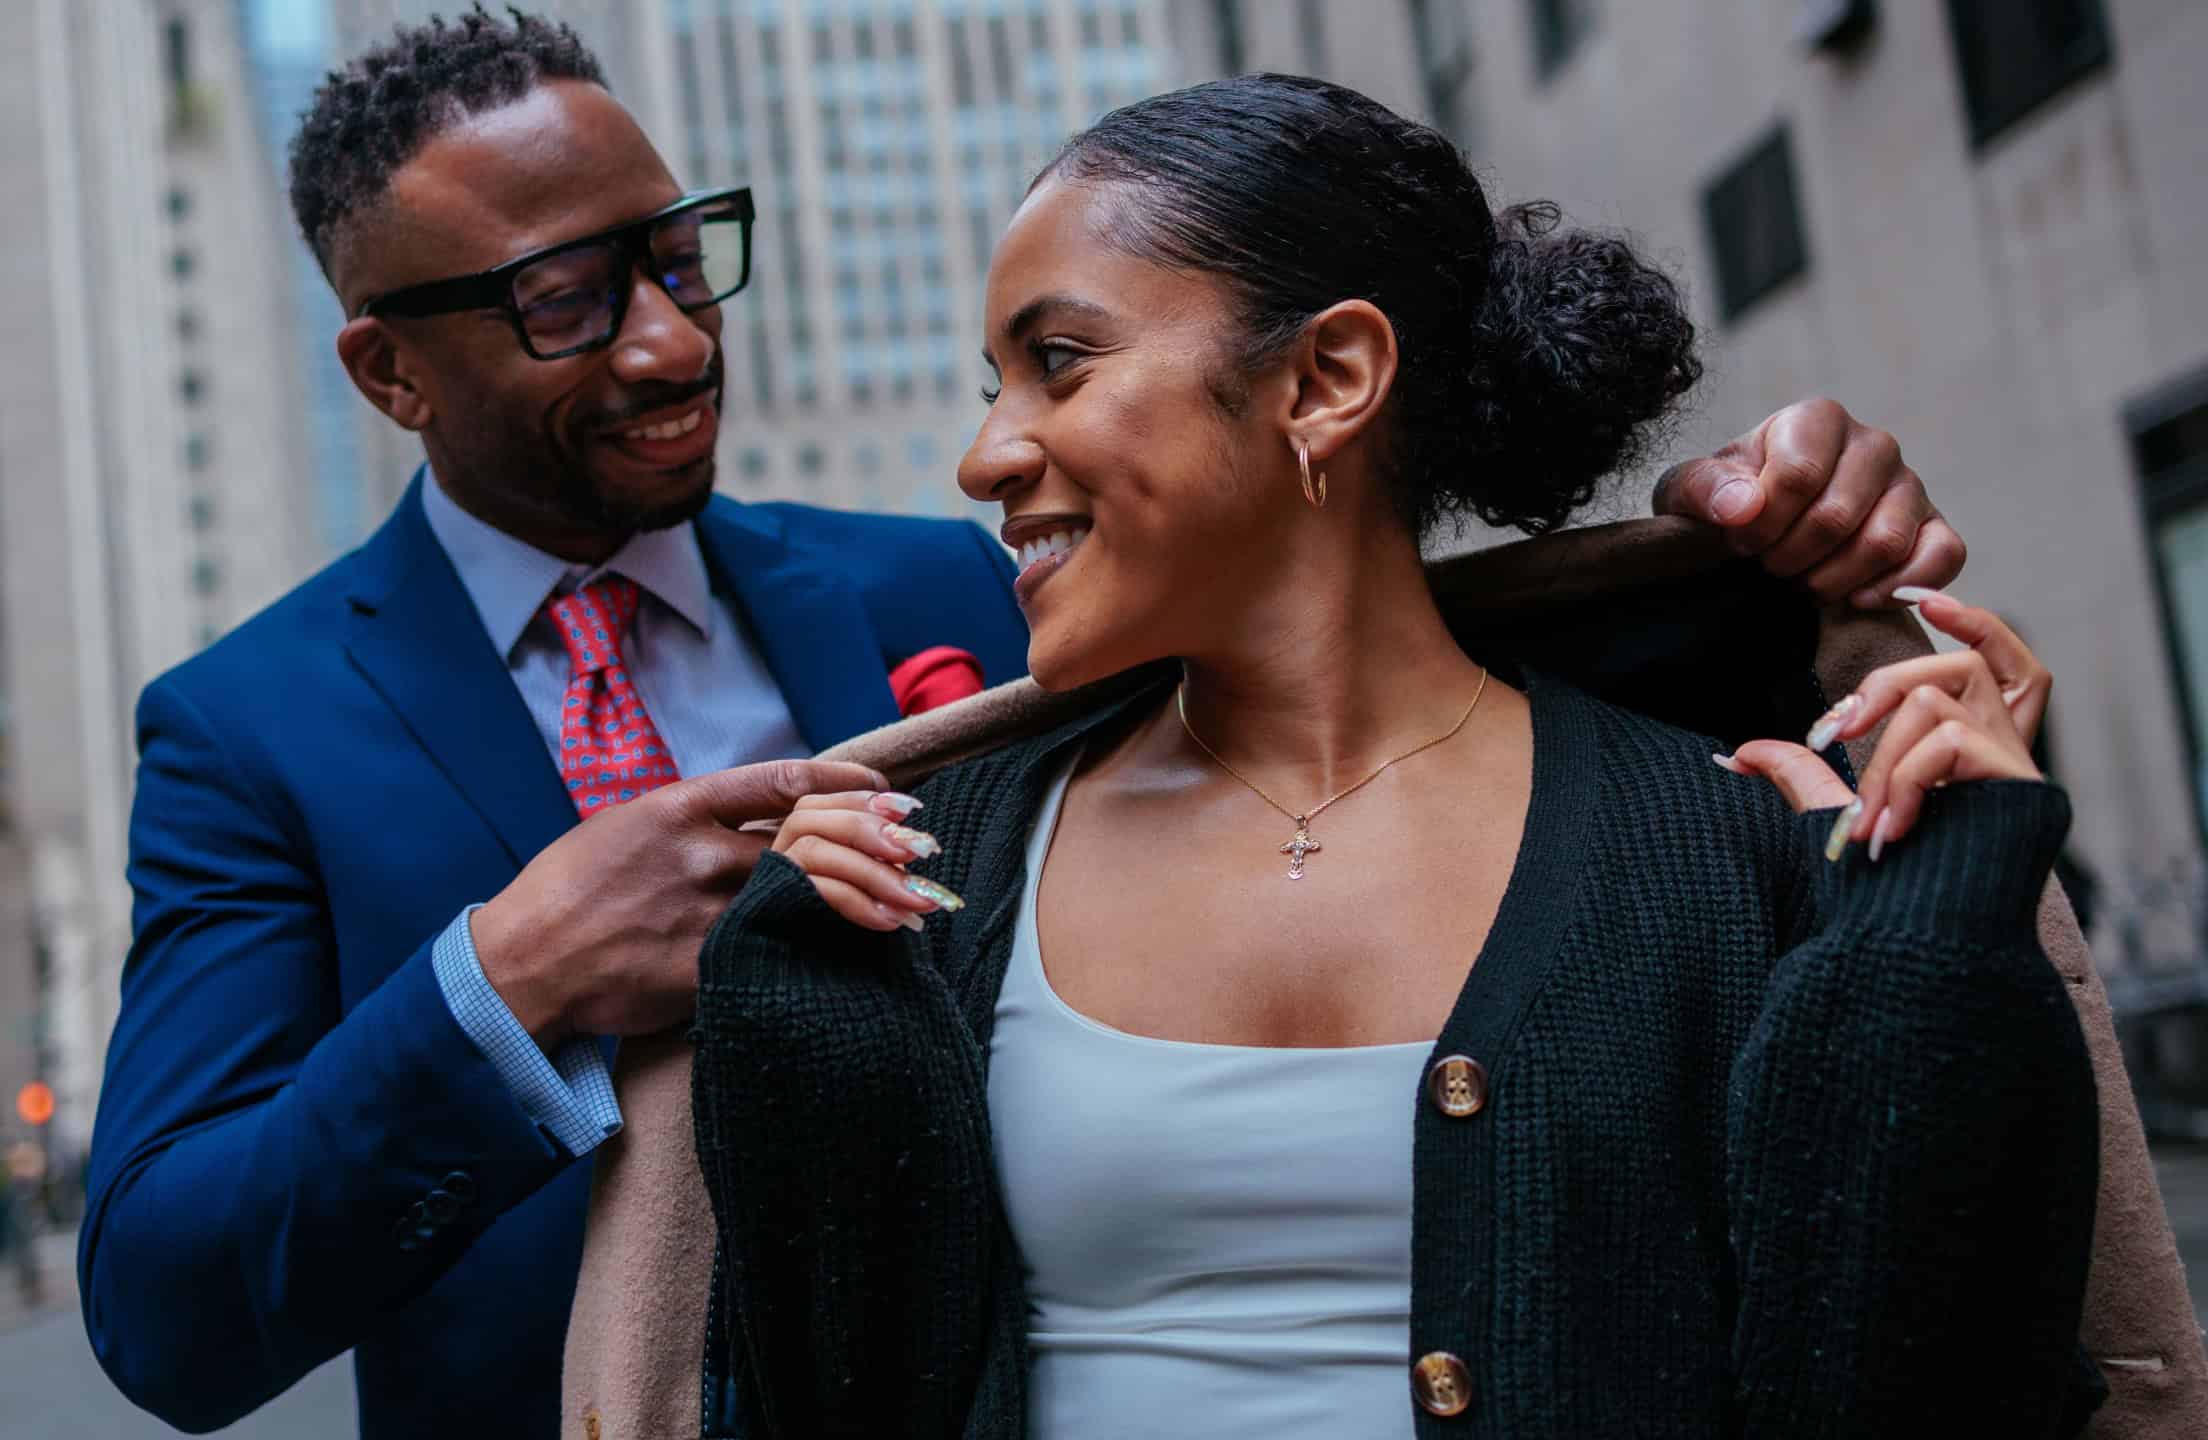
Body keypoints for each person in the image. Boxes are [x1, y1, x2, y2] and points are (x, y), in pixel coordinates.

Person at [77, 11, 1979, 1436]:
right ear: (388, 373)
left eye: (678, 253)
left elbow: (1375, 670)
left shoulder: (969, 587)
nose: (670, 339)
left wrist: (1763, 561)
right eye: (564, 303)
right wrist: (508, 986)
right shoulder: (247, 733)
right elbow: (169, 1309)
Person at [691, 74, 2102, 1436]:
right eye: (993, 386)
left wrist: (1931, 949)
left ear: (1328, 378)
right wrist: (789, 981)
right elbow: (815, 1381)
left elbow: (1910, 1373)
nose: (986, 456)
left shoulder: (1725, 839)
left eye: (1057, 363)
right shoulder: (914, 877)